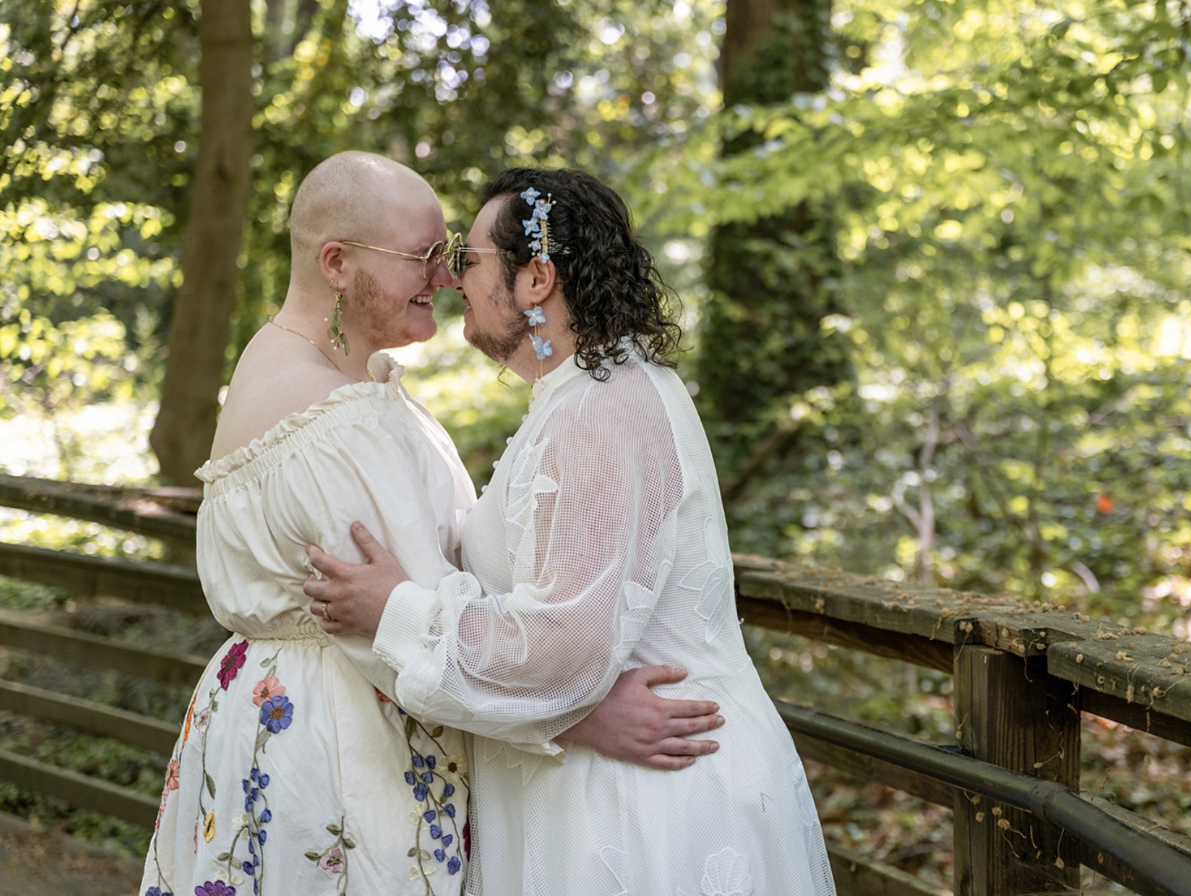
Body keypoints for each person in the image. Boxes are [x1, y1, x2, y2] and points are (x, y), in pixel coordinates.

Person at [140, 152, 721, 896]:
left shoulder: (328, 377)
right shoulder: (330, 420)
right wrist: (579, 716)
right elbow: (393, 617)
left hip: (316, 721)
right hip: (339, 749)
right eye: (423, 256)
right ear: (338, 264)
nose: (446, 278)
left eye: (452, 255)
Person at [304, 167, 837, 896]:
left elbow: (564, 648)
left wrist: (394, 610)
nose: (454, 279)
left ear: (536, 279)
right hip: (606, 780)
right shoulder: (586, 392)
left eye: (470, 260)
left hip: (648, 804)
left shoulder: (599, 410)